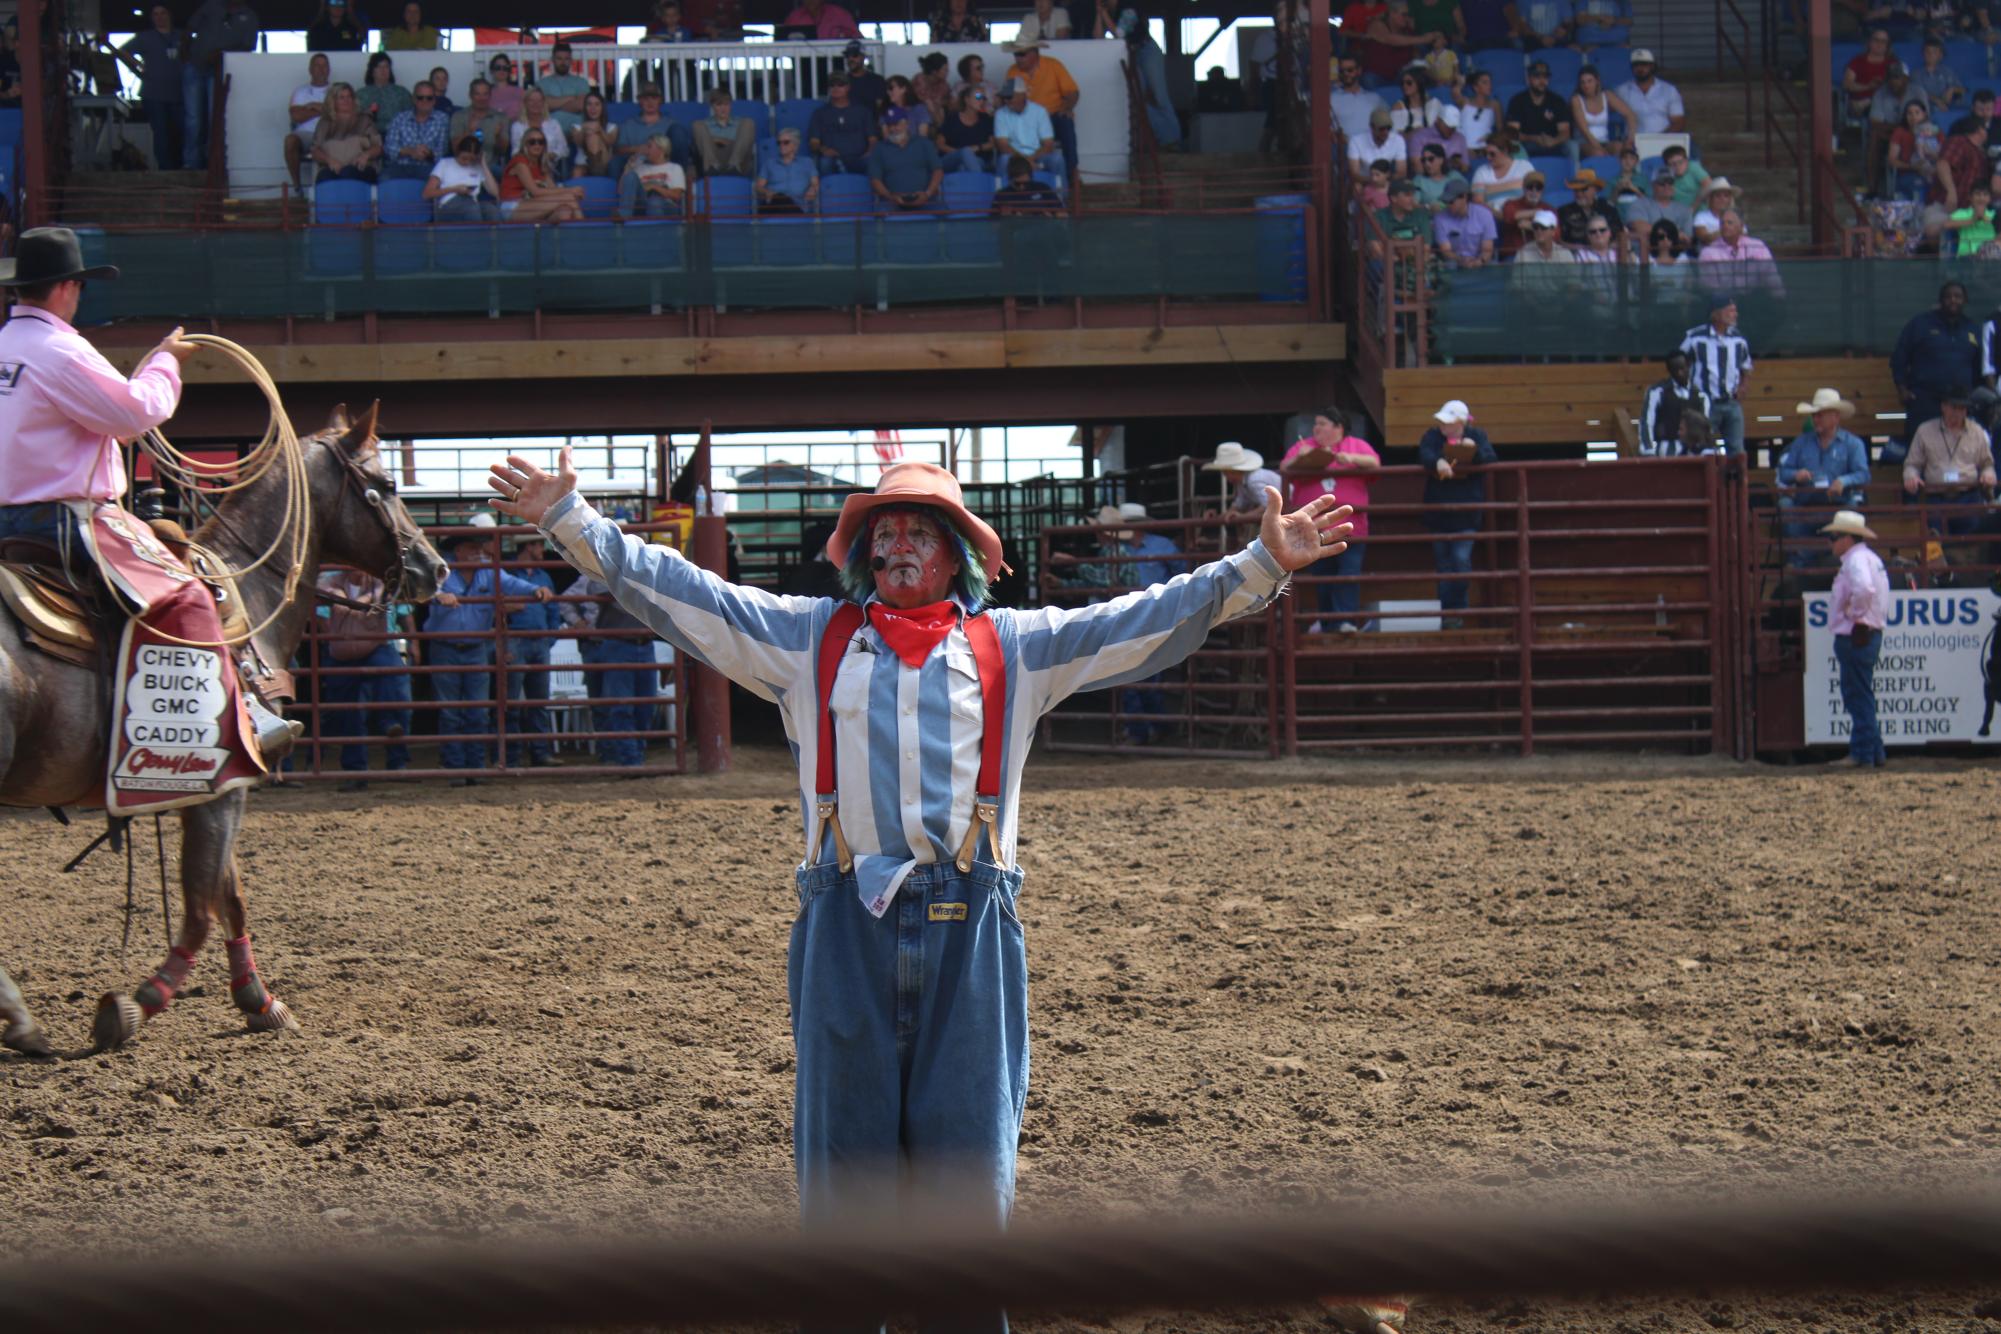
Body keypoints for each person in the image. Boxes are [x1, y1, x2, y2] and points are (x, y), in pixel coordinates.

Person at [484, 451, 1351, 1301]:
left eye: (919, 532)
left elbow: (1142, 619)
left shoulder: (1017, 646)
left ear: (958, 555)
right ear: (861, 556)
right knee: (841, 1179)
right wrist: (573, 520)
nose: (897, 545)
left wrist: (1260, 563)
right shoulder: (804, 640)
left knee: (968, 1178)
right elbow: (684, 595)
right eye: (883, 532)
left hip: (972, 925)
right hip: (842, 924)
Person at [0, 227, 297, 757]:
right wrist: (166, 361)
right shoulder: (62, 350)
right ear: (68, 286)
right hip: (66, 520)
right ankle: (240, 714)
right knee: (190, 591)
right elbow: (135, 414)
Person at [424, 516, 554, 785]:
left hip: (475, 648)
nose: (477, 552)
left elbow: (512, 584)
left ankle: (474, 767)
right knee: (451, 711)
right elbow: (423, 590)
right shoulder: (440, 572)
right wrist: (438, 596)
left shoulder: (488, 571)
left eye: (478, 547)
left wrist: (535, 590)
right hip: (446, 647)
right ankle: (456, 768)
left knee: (478, 710)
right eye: (471, 548)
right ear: (457, 551)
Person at [315, 568, 413, 791]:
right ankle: (356, 769)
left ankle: (389, 725)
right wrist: (369, 597)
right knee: (350, 711)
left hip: (369, 644)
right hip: (346, 649)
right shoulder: (332, 581)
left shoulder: (377, 581)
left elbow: (352, 606)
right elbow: (340, 605)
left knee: (393, 676)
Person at [1283, 408, 1380, 632]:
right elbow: (1284, 468)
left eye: (1322, 423)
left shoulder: (1356, 445)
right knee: (1323, 576)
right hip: (1315, 526)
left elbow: (1374, 463)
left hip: (1350, 526)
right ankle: (1328, 622)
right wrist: (1301, 457)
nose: (1316, 428)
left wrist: (1350, 458)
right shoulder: (1303, 446)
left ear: (1338, 427)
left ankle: (1344, 620)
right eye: (1316, 423)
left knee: (1348, 573)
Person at [1417, 399, 1497, 629]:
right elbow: (1424, 455)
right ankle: (1449, 614)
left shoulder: (1477, 436)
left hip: (1466, 511)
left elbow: (1489, 457)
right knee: (1445, 565)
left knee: (1459, 561)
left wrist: (1472, 450)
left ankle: (1456, 609)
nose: (1443, 426)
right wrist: (1438, 461)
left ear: (1460, 422)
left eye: (1448, 422)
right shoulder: (1432, 437)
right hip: (1440, 511)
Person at [1822, 509, 1891, 768]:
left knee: (1857, 695)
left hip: (1857, 635)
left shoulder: (1855, 561)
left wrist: (1856, 615)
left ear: (1846, 539)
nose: (1830, 543)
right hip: (1866, 634)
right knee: (1862, 693)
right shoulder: (1869, 558)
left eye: (1834, 538)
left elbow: (1863, 590)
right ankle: (1874, 751)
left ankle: (1863, 753)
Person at [1777, 388, 1872, 569]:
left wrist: (1844, 481)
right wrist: (1796, 475)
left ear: (1835, 417)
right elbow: (1784, 472)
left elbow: (1864, 475)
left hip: (1839, 507)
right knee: (1785, 506)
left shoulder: (1852, 444)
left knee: (1852, 508)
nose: (1816, 419)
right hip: (1807, 507)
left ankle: (1805, 560)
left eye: (1820, 415)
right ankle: (1800, 559)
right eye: (1815, 416)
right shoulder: (1802, 442)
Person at [1892, 280, 1985, 465]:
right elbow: (1898, 359)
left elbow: (1979, 368)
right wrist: (1902, 389)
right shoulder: (1920, 325)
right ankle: (1913, 493)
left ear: (1965, 300)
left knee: (1959, 455)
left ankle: (1960, 494)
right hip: (1925, 401)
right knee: (1917, 455)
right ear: (1941, 300)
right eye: (1948, 296)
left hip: (1960, 403)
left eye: (1958, 296)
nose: (1953, 300)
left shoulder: (1973, 329)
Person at [1902, 385, 1997, 564]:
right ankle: (1938, 580)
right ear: (1943, 407)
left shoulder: (1977, 432)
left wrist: (1988, 474)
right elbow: (1912, 464)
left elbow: (1987, 464)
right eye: (1953, 407)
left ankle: (1968, 581)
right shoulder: (1925, 430)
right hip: (1936, 498)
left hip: (1968, 497)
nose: (1957, 413)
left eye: (1961, 408)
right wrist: (1911, 477)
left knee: (1970, 546)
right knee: (1935, 546)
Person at [502, 535, 560, 770]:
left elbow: (553, 609)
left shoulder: (542, 576)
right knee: (513, 703)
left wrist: (550, 636)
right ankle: (513, 754)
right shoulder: (510, 576)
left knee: (538, 701)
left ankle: (536, 752)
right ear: (528, 546)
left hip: (536, 641)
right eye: (538, 545)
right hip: (516, 639)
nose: (542, 549)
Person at [184, 0, 259, 169]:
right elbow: (189, 28)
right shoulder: (210, 6)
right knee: (192, 119)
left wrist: (221, 54)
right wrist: (185, 54)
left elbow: (248, 48)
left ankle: (213, 163)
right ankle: (191, 163)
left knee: (215, 117)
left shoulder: (250, 16)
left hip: (219, 72)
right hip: (194, 67)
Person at [115, 3, 186, 172]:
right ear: (152, 18)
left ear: (170, 15)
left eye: (163, 13)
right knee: (161, 134)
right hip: (154, 94)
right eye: (156, 14)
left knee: (182, 132)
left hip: (180, 92)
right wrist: (138, 65)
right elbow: (122, 51)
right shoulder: (145, 37)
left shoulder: (181, 36)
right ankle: (165, 170)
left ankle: (182, 166)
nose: (160, 17)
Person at [1680, 295, 1752, 454]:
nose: (1735, 314)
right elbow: (1680, 363)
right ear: (1717, 314)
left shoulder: (1738, 339)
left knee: (1737, 449)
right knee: (1703, 446)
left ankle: (1737, 479)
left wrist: (1743, 387)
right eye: (1731, 311)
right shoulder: (1696, 338)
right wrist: (1689, 390)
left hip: (1731, 402)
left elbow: (1746, 367)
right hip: (1705, 403)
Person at [1005, 39, 1080, 184]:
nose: (1018, 58)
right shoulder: (1012, 71)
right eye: (1016, 54)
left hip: (1053, 116)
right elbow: (1009, 99)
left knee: (1066, 121)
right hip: (1026, 119)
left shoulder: (1053, 65)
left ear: (1034, 53)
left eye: (1022, 54)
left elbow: (1072, 92)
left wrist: (1067, 108)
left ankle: (1072, 174)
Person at [1638, 351, 1714, 456]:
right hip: (1666, 448)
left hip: (1695, 450)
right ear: (1669, 371)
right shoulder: (1657, 392)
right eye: (1675, 370)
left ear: (1689, 366)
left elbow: (1706, 428)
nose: (1680, 373)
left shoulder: (1701, 396)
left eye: (1683, 369)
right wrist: (1648, 450)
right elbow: (1647, 422)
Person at [502, 128, 585, 221]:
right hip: (513, 206)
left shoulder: (541, 165)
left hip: (532, 204)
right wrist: (570, 191)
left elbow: (553, 190)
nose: (537, 145)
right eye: (532, 142)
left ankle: (555, 235)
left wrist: (570, 192)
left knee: (564, 212)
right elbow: (535, 191)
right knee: (568, 198)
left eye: (540, 142)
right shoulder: (520, 161)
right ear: (525, 145)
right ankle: (585, 231)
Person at [869, 108, 944, 211]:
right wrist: (890, 196)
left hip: (925, 199)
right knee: (878, 214)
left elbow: (938, 170)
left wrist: (927, 194)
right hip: (892, 201)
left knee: (944, 212)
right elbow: (875, 179)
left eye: (897, 124)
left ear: (907, 123)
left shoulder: (924, 143)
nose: (893, 129)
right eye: (889, 125)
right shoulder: (879, 148)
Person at [1506, 58, 1574, 169]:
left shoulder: (1557, 100)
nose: (1542, 81)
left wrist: (1554, 141)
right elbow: (1512, 133)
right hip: (1527, 144)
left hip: (1552, 143)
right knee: (1514, 146)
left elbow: (1565, 131)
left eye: (1545, 77)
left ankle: (1575, 181)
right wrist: (1534, 138)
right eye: (1537, 77)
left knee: (1572, 146)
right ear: (1529, 79)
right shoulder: (1517, 101)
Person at [309, 83, 383, 182]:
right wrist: (330, 161)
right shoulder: (325, 123)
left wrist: (366, 155)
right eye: (341, 97)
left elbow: (378, 147)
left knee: (348, 173)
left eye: (349, 97)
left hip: (360, 168)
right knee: (324, 178)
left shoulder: (364, 119)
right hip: (332, 167)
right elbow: (315, 151)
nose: (346, 101)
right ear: (333, 101)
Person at [996, 78, 1064, 180]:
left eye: (1009, 97)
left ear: (1022, 95)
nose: (1006, 101)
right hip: (1014, 157)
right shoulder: (1000, 114)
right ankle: (1003, 195)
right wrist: (1025, 162)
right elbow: (1003, 145)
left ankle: (1060, 195)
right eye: (1004, 97)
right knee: (1004, 159)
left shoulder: (1039, 111)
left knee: (1057, 159)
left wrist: (1029, 160)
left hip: (1037, 156)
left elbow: (1048, 144)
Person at [282, 53, 332, 189]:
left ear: (329, 69)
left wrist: (312, 107)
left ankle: (327, 190)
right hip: (305, 135)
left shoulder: (336, 90)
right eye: (317, 65)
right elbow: (296, 116)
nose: (321, 69)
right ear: (310, 69)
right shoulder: (300, 91)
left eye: (324, 65)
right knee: (290, 141)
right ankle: (297, 188)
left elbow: (340, 114)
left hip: (330, 134)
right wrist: (322, 109)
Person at [810, 74, 877, 175]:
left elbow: (872, 138)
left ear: (848, 87)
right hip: (832, 158)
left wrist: (870, 152)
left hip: (859, 157)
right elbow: (813, 142)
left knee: (872, 162)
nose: (836, 88)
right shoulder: (820, 113)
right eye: (832, 85)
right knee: (825, 162)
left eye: (840, 84)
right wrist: (824, 150)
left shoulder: (862, 111)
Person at [382, 79, 449, 181]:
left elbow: (442, 151)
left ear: (434, 100)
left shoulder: (443, 119)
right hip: (400, 167)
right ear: (413, 99)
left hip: (429, 168)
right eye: (420, 97)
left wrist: (428, 154)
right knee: (384, 178)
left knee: (440, 180)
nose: (424, 101)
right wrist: (410, 151)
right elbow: (388, 148)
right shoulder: (399, 118)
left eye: (429, 98)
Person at [424, 135, 502, 220]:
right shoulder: (445, 164)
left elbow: (495, 192)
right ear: (458, 152)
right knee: (472, 209)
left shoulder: (477, 167)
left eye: (471, 159)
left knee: (491, 210)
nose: (467, 162)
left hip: (471, 202)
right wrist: (454, 189)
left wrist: (483, 164)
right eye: (464, 158)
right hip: (448, 204)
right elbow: (427, 193)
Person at [1612, 48, 1685, 135]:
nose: (1640, 68)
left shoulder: (1669, 90)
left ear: (1652, 66)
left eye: (1644, 64)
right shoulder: (1622, 90)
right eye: (1636, 65)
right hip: (1633, 142)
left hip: (1663, 139)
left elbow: (1678, 121)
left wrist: (1662, 139)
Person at [1570, 64, 1634, 157]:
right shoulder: (1576, 100)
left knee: (1619, 147)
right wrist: (1601, 149)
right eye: (1582, 82)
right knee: (1598, 153)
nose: (1586, 85)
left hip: (1605, 141)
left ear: (1597, 81)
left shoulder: (1607, 95)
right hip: (1584, 142)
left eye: (1589, 81)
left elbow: (1630, 114)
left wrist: (1630, 138)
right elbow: (1585, 131)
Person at [450, 78, 511, 175]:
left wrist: (498, 136)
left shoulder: (500, 117)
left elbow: (503, 151)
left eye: (485, 94)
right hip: (465, 166)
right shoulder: (459, 116)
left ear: (490, 96)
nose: (481, 98)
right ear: (470, 95)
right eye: (477, 94)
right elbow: (455, 149)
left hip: (491, 167)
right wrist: (469, 132)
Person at [1204, 441, 1283, 515]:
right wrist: (1219, 516)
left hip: (1290, 506)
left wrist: (1242, 517)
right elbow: (1240, 503)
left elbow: (1268, 506)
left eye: (1227, 473)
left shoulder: (1253, 480)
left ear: (1235, 470)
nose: (1227, 478)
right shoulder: (1242, 481)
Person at [1885, 97, 1941, 200]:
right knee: (1918, 186)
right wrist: (1912, 167)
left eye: (1917, 112)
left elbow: (1944, 155)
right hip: (1908, 172)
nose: (1913, 117)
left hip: (1933, 170)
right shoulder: (1900, 132)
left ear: (1924, 114)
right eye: (1909, 113)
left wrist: (1932, 156)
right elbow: (1892, 160)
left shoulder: (1934, 131)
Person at [1621, 168, 1693, 250]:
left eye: (1670, 183)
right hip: (1644, 255)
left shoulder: (1685, 210)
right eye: (1662, 183)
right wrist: (1674, 234)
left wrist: (1658, 233)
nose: (1667, 186)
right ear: (1653, 185)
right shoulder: (1639, 204)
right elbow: (1639, 227)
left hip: (1675, 256)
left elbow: (1687, 239)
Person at [693, 87, 756, 177]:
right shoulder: (704, 125)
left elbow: (744, 145)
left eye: (726, 104)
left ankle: (734, 167)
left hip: (737, 160)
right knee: (697, 124)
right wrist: (724, 141)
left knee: (749, 123)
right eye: (719, 105)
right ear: (712, 106)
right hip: (712, 159)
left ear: (731, 105)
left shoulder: (741, 124)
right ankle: (712, 168)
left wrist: (716, 140)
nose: (723, 109)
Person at [1432, 179, 1497, 266]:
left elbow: (1487, 249)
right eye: (1446, 202)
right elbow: (1446, 251)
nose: (1448, 205)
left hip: (1481, 263)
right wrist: (1461, 260)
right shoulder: (1440, 218)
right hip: (1455, 264)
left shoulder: (1484, 214)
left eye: (1451, 201)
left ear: (1464, 197)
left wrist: (1479, 262)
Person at [618, 134, 686, 218]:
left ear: (661, 149)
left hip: (666, 205)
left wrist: (653, 187)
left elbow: (676, 196)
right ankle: (623, 217)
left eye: (649, 146)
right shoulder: (640, 167)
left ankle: (656, 230)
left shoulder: (675, 168)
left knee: (654, 202)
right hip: (642, 205)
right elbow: (621, 192)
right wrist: (628, 167)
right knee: (631, 175)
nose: (645, 150)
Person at [511, 86, 571, 179]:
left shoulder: (554, 124)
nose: (536, 104)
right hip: (527, 169)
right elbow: (515, 151)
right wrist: (534, 157)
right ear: (525, 103)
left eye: (539, 101)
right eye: (531, 100)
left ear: (544, 103)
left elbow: (564, 149)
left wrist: (552, 155)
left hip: (552, 168)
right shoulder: (517, 126)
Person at [535, 41, 592, 135]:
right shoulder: (541, 83)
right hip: (548, 131)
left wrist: (554, 106)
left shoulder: (581, 82)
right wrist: (572, 98)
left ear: (571, 60)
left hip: (577, 129)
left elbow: (581, 105)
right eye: (559, 59)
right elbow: (541, 105)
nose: (563, 62)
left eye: (566, 59)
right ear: (552, 60)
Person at [937, 87, 996, 175]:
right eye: (978, 97)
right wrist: (961, 153)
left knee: (963, 167)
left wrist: (977, 148)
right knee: (965, 153)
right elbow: (939, 144)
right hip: (952, 159)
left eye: (984, 98)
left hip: (978, 160)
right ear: (967, 99)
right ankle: (980, 185)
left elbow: (992, 143)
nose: (982, 101)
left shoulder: (986, 119)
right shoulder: (952, 118)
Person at [1330, 55, 1386, 147]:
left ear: (1359, 71)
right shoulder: (1332, 98)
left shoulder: (1374, 98)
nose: (1346, 74)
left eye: (1350, 70)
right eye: (1342, 71)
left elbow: (1388, 122)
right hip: (1346, 148)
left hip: (1374, 147)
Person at [757, 129, 818, 212]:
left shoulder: (807, 162)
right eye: (779, 143)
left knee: (782, 199)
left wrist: (813, 189)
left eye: (786, 142)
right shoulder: (769, 163)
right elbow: (758, 186)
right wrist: (767, 192)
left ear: (795, 145)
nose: (781, 145)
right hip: (773, 205)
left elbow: (815, 183)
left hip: (797, 206)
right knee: (778, 198)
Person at [1557, 167, 1621, 244]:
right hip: (1573, 254)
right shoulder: (1563, 212)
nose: (1579, 194)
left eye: (1584, 189)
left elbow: (1620, 235)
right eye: (1576, 190)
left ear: (1595, 189)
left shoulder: (1608, 209)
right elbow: (1559, 241)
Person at [1348, 106, 1410, 182]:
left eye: (1388, 128)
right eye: (1382, 128)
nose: (1386, 132)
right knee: (1357, 186)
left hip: (1387, 182)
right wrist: (1376, 181)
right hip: (1365, 181)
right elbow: (1354, 174)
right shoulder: (1356, 141)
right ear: (1371, 127)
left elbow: (1401, 172)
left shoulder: (1398, 140)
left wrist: (1382, 182)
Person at [356, 52, 412, 137]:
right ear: (372, 71)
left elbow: (410, 116)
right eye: (379, 67)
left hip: (397, 134)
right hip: (368, 136)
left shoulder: (401, 93)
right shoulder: (361, 94)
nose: (383, 70)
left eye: (386, 67)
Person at [1407, 101, 1469, 171]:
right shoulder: (1420, 137)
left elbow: (1465, 168)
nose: (1451, 130)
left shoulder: (1460, 138)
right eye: (1448, 126)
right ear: (1438, 120)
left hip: (1454, 178)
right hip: (1427, 180)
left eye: (1454, 127)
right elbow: (1418, 168)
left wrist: (1457, 164)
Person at [1470, 133, 1531, 204]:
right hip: (1491, 214)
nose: (1488, 157)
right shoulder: (1481, 172)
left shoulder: (1524, 167)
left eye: (1492, 154)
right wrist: (1498, 214)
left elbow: (1534, 194)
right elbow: (1478, 202)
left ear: (1505, 151)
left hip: (1520, 212)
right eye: (1485, 153)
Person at [993, 153, 1065, 212]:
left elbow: (1061, 212)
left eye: (1026, 183)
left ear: (1031, 177)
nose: (1022, 186)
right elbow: (994, 223)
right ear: (1010, 179)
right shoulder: (1002, 196)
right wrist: (1003, 218)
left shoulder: (1043, 189)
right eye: (1017, 184)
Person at [1497, 171, 1548, 253]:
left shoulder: (1548, 208)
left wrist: (1533, 227)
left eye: (1538, 188)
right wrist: (1534, 212)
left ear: (1542, 190)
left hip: (1540, 255)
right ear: (1524, 188)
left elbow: (1556, 234)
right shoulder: (1511, 204)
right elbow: (1508, 216)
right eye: (1530, 187)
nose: (1534, 192)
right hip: (1514, 254)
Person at [1911, 34, 1965, 109]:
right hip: (1926, 109)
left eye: (1934, 52)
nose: (1930, 55)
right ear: (1923, 54)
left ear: (1940, 55)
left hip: (1947, 108)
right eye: (1927, 52)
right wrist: (1937, 101)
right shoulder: (1916, 73)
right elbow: (1918, 93)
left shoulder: (1947, 71)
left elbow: (1962, 89)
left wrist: (1952, 89)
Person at [572, 92, 617, 179]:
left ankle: (596, 172)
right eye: (589, 104)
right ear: (585, 107)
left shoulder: (612, 126)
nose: (593, 108)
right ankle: (595, 173)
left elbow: (610, 142)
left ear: (602, 107)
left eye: (597, 104)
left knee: (593, 135)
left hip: (604, 164)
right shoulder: (577, 127)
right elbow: (578, 142)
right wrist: (585, 129)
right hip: (583, 164)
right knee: (577, 172)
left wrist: (599, 129)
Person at [884, 75, 935, 141]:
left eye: (891, 88)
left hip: (916, 147)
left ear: (903, 89)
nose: (888, 92)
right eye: (887, 89)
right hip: (893, 148)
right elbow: (886, 138)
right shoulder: (886, 110)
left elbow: (922, 137)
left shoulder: (919, 109)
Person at [1507, 0, 1574, 48]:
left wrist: (1560, 32)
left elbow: (1568, 21)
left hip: (1557, 38)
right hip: (1534, 38)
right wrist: (1540, 37)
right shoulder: (1523, 1)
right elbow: (1522, 24)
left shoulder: (1562, 1)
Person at [783, 0, 862, 38]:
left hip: (836, 62)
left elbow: (858, 38)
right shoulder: (795, 17)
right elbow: (782, 39)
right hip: (803, 64)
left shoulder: (840, 14)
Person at [486, 53, 524, 120]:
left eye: (505, 68)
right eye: (498, 68)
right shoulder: (486, 93)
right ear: (492, 70)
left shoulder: (519, 91)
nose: (502, 70)